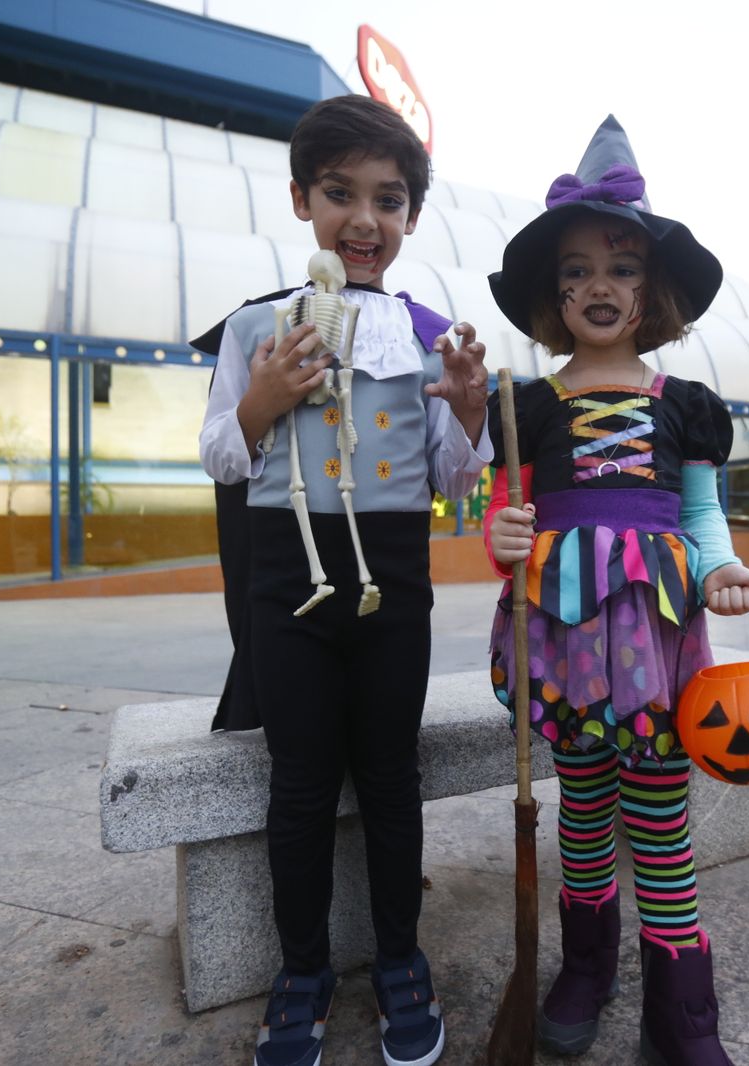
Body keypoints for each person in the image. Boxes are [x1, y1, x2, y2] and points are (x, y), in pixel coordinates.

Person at [194, 94, 490, 1066]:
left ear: (409, 217)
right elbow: (219, 459)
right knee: (302, 783)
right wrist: (262, 400)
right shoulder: (255, 328)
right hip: (290, 586)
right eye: (339, 194)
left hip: (394, 587)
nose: (364, 219)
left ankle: (401, 957)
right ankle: (302, 969)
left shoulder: (429, 334)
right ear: (300, 200)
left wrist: (474, 413)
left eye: (389, 200)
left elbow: (452, 479)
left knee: (393, 778)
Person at [482, 116, 749, 1065]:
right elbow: (506, 516)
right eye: (576, 271)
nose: (598, 286)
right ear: (552, 295)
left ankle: (684, 1009)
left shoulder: (683, 406)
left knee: (662, 816)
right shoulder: (527, 408)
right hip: (562, 646)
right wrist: (501, 537)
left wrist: (720, 567)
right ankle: (585, 968)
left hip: (656, 647)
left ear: (654, 290)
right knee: (585, 812)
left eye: (622, 268)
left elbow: (701, 512)